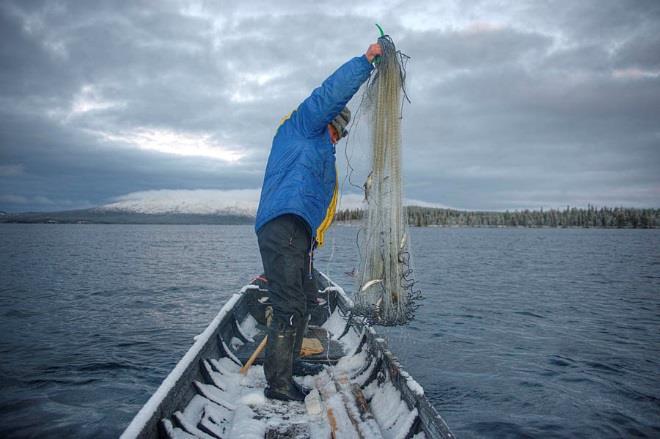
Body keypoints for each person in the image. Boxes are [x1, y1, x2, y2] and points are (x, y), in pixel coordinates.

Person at [255, 42, 383, 401]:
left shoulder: (323, 155)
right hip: (282, 225)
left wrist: (314, 243)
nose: (337, 138)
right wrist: (365, 62)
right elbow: (330, 92)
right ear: (327, 120)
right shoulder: (301, 128)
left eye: (340, 135)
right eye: (336, 130)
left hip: (300, 236)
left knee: (306, 301)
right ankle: (278, 385)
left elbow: (323, 207)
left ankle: (290, 362)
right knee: (288, 306)